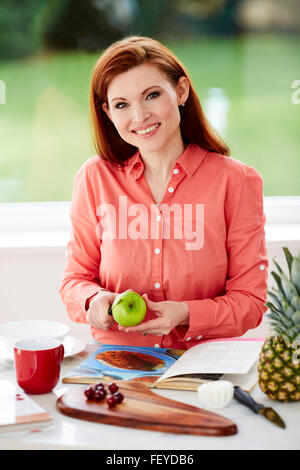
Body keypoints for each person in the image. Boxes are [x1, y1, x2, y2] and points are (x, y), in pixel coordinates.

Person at [59, 36, 268, 350]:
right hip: (116, 366)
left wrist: (185, 313)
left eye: (152, 95)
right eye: (121, 105)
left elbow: (250, 303)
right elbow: (75, 280)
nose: (139, 116)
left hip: (201, 366)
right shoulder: (94, 178)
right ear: (108, 112)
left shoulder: (236, 181)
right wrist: (93, 301)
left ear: (180, 91)